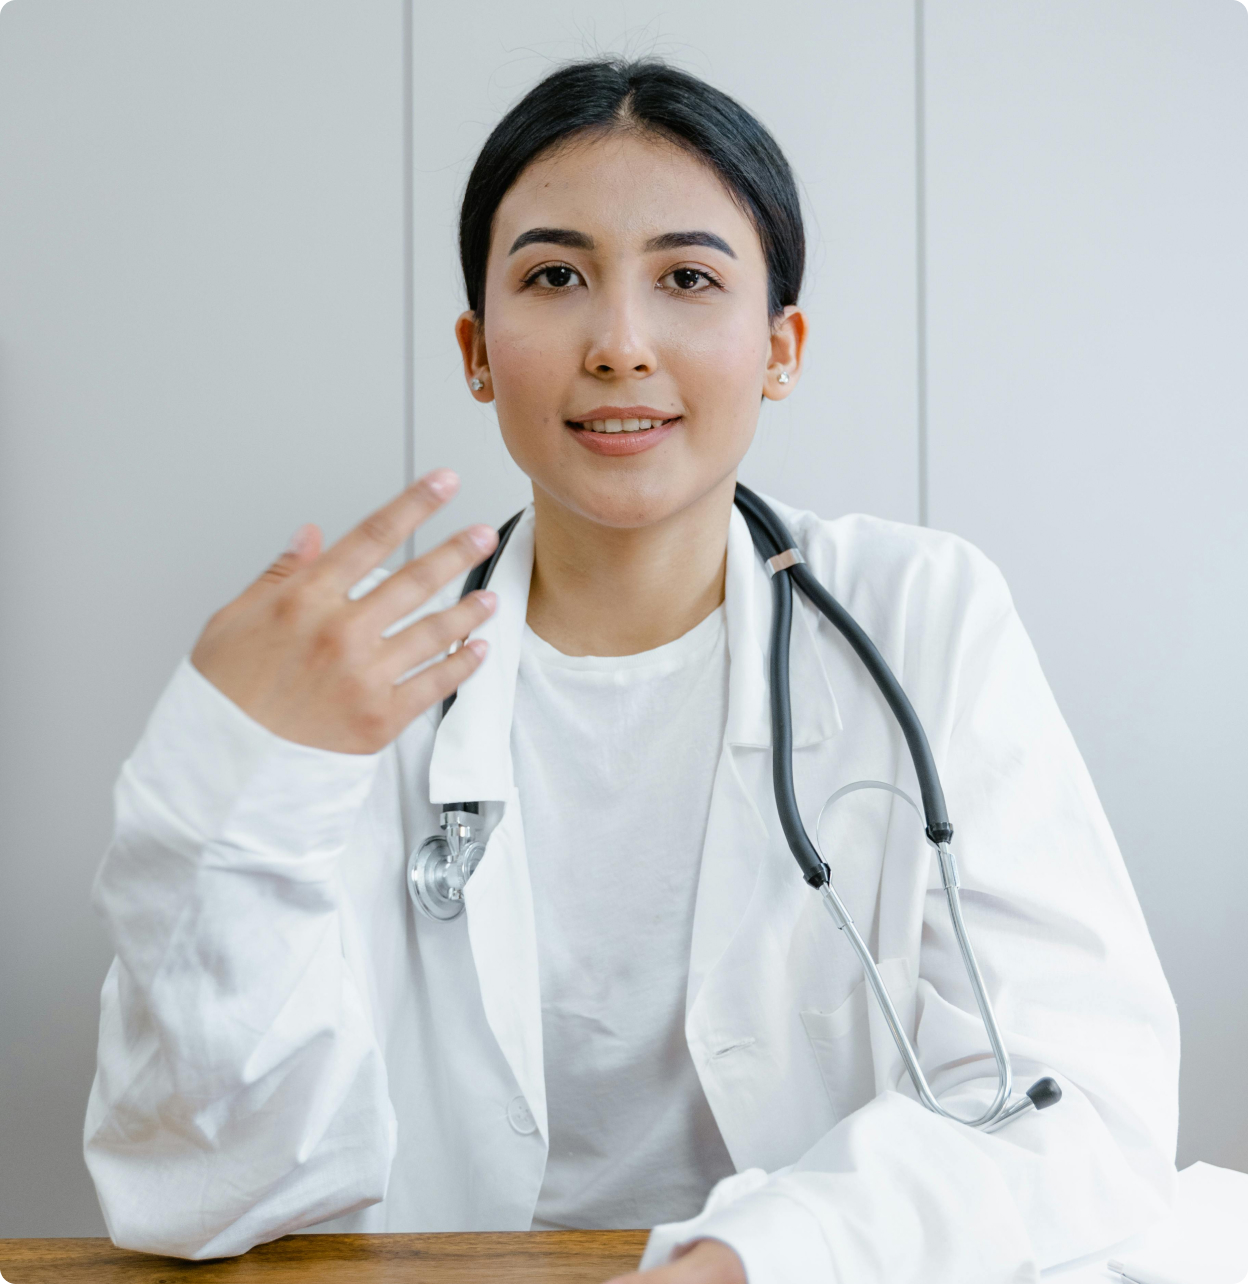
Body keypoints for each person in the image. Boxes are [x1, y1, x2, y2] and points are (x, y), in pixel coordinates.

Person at [84, 57, 1180, 1284]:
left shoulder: (920, 615)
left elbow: (1076, 1101)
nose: (617, 344)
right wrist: (233, 790)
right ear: (477, 350)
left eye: (688, 279)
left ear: (781, 346)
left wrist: (751, 1260)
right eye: (554, 277)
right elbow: (201, 1193)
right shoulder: (349, 674)